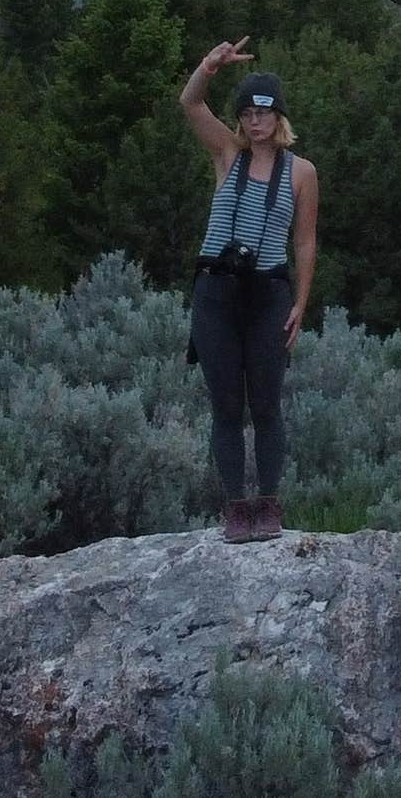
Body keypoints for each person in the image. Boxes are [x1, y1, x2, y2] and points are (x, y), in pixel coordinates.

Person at [177, 35, 317, 544]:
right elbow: (189, 103)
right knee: (225, 407)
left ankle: (269, 505)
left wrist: (301, 303)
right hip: (216, 294)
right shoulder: (227, 155)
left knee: (267, 405)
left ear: (278, 117)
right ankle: (236, 507)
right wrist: (209, 65)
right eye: (246, 114)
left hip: (268, 297)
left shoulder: (302, 173)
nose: (254, 122)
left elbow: (304, 241)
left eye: (263, 113)